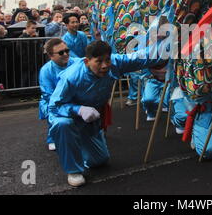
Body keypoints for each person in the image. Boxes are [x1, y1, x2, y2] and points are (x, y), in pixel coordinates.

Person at [48, 40, 168, 187]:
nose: (105, 66)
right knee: (63, 124)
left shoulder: (115, 63)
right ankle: (73, 170)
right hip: (69, 116)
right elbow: (54, 107)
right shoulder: (71, 76)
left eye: (107, 60)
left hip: (92, 119)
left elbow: (140, 57)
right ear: (87, 61)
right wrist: (77, 109)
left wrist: (172, 45)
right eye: (99, 61)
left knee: (99, 161)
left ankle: (77, 146)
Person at [39, 38, 80, 151]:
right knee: (56, 117)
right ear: (51, 55)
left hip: (75, 98)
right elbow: (48, 94)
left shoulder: (76, 63)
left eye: (67, 50)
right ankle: (52, 138)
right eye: (61, 52)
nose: (66, 54)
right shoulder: (46, 70)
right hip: (53, 101)